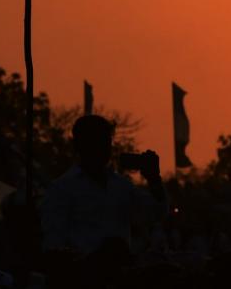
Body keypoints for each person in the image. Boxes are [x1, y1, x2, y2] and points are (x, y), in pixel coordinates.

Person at [40, 115, 166, 280]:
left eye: (106, 142)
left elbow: (156, 213)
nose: (103, 148)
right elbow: (53, 246)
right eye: (96, 142)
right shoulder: (61, 189)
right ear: (79, 146)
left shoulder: (121, 186)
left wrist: (154, 179)